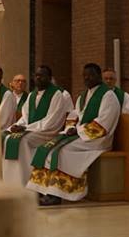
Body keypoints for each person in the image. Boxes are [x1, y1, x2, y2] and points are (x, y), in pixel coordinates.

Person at [27, 63, 120, 205]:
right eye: (84, 75)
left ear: (98, 76)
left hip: (97, 139)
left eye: (90, 75)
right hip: (82, 135)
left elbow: (105, 122)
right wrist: (71, 127)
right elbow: (75, 115)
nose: (86, 78)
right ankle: (44, 189)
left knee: (62, 151)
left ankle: (59, 193)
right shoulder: (83, 95)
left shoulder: (108, 96)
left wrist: (79, 130)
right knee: (48, 147)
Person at [1, 66, 72, 186]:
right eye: (37, 75)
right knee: (7, 137)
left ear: (49, 78)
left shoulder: (56, 94)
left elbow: (51, 120)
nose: (38, 78)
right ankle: (10, 182)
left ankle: (26, 181)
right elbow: (25, 117)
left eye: (42, 75)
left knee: (22, 141)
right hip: (34, 130)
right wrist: (16, 125)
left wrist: (26, 128)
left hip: (47, 132)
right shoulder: (32, 95)